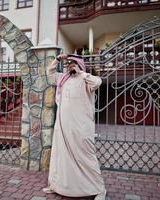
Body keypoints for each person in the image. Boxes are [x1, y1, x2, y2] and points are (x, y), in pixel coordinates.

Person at [43, 54, 106, 200]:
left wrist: (81, 73)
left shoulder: (86, 79)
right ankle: (57, 185)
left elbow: (98, 82)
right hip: (63, 127)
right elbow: (49, 73)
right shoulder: (63, 79)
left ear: (79, 65)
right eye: (68, 63)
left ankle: (99, 189)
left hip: (81, 128)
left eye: (73, 63)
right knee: (61, 157)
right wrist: (58, 59)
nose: (70, 65)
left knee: (87, 158)